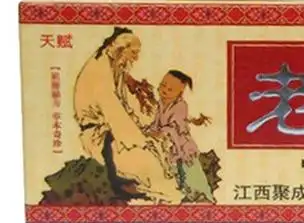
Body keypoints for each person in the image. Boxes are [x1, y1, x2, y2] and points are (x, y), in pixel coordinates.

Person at [73, 28, 181, 204]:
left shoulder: (113, 64)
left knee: (156, 146)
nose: (136, 58)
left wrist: (142, 130)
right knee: (144, 156)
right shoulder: (100, 70)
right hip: (98, 133)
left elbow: (123, 105)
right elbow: (115, 112)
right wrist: (140, 138)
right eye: (134, 53)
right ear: (121, 49)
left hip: (111, 127)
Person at [145, 70, 215, 203]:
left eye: (170, 89)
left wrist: (160, 132)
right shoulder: (161, 103)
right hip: (170, 145)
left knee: (191, 172)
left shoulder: (181, 106)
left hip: (182, 145)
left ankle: (203, 198)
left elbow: (174, 126)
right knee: (176, 175)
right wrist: (150, 130)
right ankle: (183, 197)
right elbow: (157, 122)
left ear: (180, 93)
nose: (164, 90)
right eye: (163, 85)